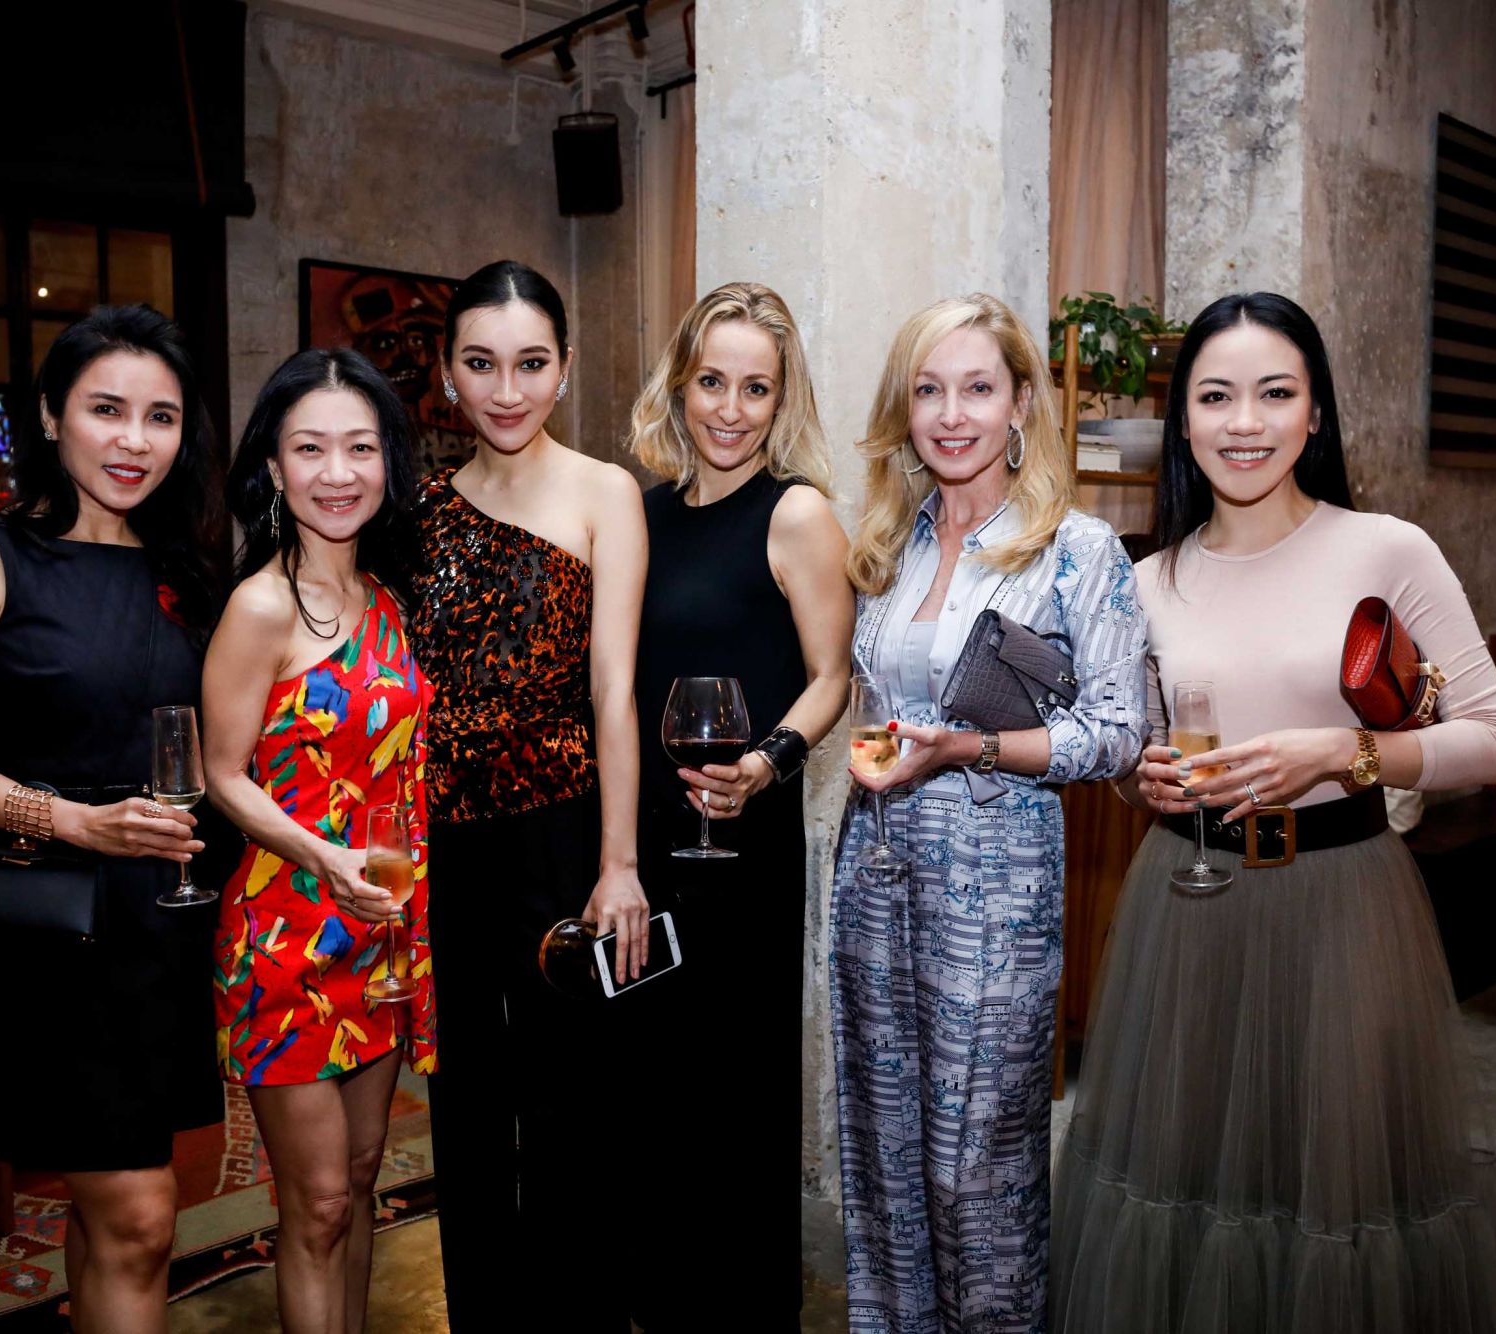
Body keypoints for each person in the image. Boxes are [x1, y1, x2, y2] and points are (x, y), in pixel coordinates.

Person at [1050, 292, 1496, 1332]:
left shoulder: (1385, 549)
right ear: (1181, 420)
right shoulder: (1142, 581)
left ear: (1314, 414)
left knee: (1334, 1183)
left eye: (1275, 393)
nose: (1244, 421)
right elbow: (1127, 746)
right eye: (1215, 396)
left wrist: (1343, 750)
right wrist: (1143, 779)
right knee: (1183, 1179)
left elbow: (1495, 737)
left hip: (1342, 903)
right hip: (1187, 903)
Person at [0, 305, 229, 1329]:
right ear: (54, 417)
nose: (134, 440)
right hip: (50, 921)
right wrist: (70, 819)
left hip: (160, 925)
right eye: (107, 409)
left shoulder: (186, 569)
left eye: (160, 416)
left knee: (116, 1215)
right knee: (142, 1214)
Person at [832, 293, 1148, 1330]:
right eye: (928, 390)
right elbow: (874, 701)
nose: (950, 413)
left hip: (995, 885)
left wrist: (971, 745)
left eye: (975, 387)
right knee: (882, 1143)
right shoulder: (890, 538)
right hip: (873, 869)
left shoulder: (1075, 548)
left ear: (1020, 402)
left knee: (979, 1160)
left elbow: (1117, 732)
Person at [409, 259, 649, 1332]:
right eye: (480, 363)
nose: (506, 389)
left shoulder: (605, 492)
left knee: (575, 1104)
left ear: (563, 367)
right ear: (448, 375)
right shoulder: (416, 511)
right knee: (466, 1106)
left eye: (530, 363)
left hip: (562, 833)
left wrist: (619, 861)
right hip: (441, 847)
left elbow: (614, 690)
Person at [624, 281, 853, 1328]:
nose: (728, 407)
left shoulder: (796, 511)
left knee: (736, 1090)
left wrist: (765, 762)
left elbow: (831, 674)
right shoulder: (642, 512)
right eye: (711, 380)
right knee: (653, 1093)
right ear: (679, 382)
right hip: (645, 841)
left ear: (779, 398)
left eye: (753, 387)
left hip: (745, 842)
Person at [201, 347, 435, 1334]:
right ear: (274, 466)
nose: (336, 471)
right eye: (310, 448)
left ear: (388, 462)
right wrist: (322, 856)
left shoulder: (391, 596)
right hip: (284, 937)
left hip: (380, 934)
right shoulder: (260, 603)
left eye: (359, 446)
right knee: (319, 1202)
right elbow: (220, 773)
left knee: (365, 1176)